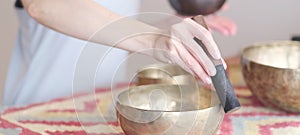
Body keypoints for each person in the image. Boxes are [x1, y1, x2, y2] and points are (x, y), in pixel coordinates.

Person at [2, 0, 236, 106]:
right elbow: (43, 4)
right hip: (36, 113)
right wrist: (155, 39)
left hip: (98, 107)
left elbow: (111, 21)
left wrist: (167, 26)